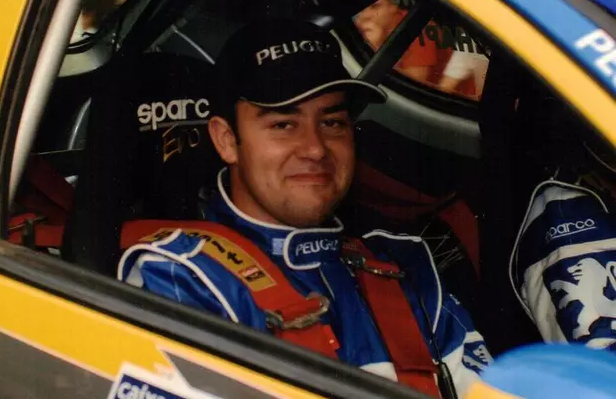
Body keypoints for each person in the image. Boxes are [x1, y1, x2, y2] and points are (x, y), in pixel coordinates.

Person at [118, 20, 490, 398]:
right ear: (227, 140)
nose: (315, 148)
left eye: (332, 122)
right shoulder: (180, 279)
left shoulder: (404, 266)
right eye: (284, 124)